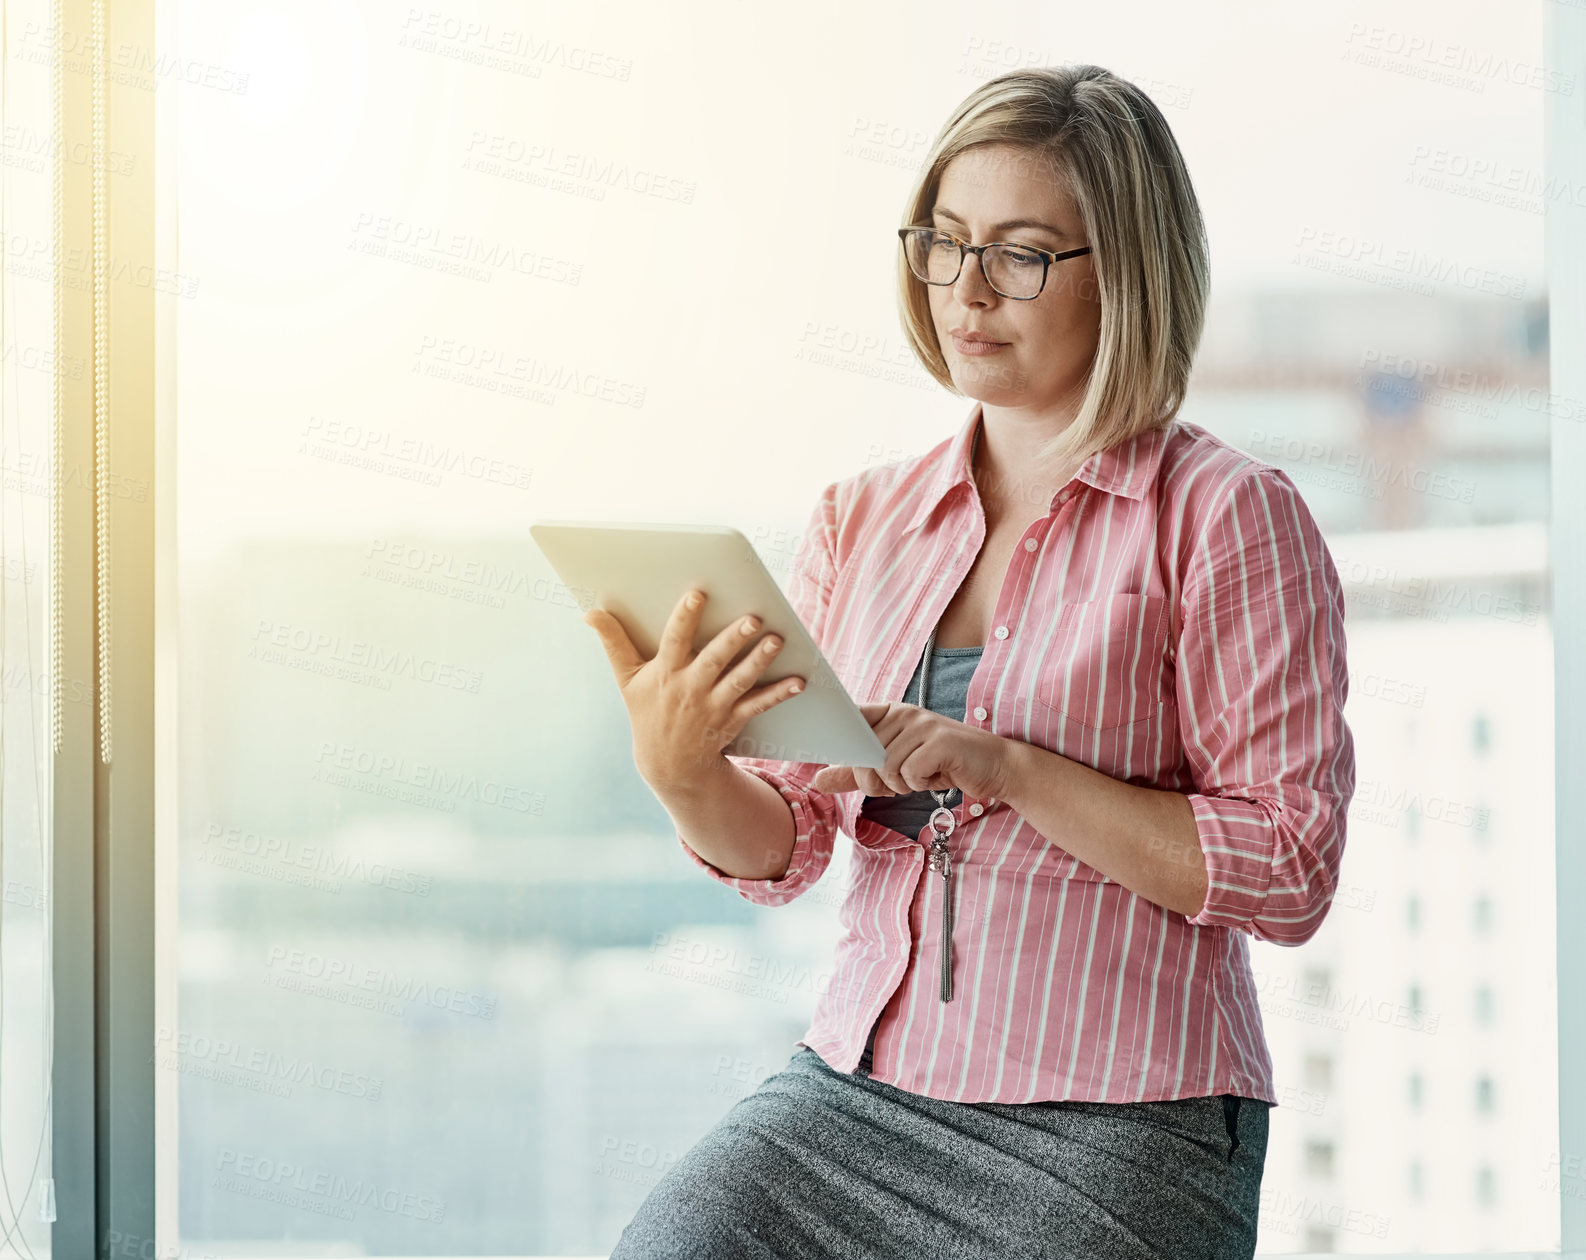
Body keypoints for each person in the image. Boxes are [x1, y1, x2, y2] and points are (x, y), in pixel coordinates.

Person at [585, 63, 1356, 1260]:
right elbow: (789, 845)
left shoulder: (1224, 516)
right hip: (859, 1090)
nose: (965, 290)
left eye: (1020, 253)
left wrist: (1008, 768)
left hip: (1123, 1117)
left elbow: (1289, 865)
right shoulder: (863, 518)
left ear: (1129, 272)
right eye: (942, 244)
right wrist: (682, 772)